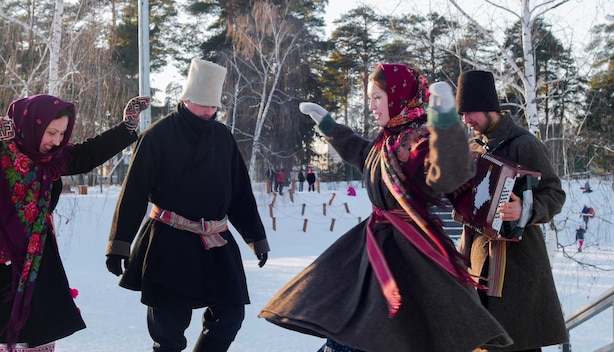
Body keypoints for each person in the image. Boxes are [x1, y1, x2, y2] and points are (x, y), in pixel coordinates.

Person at [259, 63, 512, 352]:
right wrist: (328, 125)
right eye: (369, 98)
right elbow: (362, 152)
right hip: (375, 245)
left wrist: (445, 123)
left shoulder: (419, 142)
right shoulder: (389, 141)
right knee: (356, 325)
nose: (371, 106)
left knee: (371, 333)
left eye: (377, 97)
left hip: (407, 254)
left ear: (398, 96)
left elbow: (449, 173)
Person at [105, 58, 270, 352]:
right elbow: (134, 193)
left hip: (215, 243)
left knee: (231, 315)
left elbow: (240, 193)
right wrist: (119, 244)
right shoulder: (157, 136)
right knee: (168, 330)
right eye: (203, 104)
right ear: (186, 98)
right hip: (169, 244)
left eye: (213, 106)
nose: (209, 112)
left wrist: (256, 237)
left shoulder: (223, 137)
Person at [0, 93, 147, 350]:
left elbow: (88, 154)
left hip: (39, 260)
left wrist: (127, 128)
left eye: (62, 133)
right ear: (30, 125)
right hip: (4, 260)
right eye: (51, 132)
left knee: (38, 333)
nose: (57, 141)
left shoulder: (52, 159)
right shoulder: (4, 152)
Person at [455, 70, 568, 351]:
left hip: (518, 271)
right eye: (462, 114)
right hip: (477, 261)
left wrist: (524, 209)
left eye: (470, 112)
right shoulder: (471, 147)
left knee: (520, 343)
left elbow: (554, 193)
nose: (466, 120)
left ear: (489, 107)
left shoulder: (525, 143)